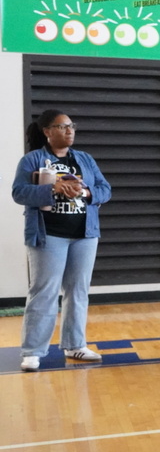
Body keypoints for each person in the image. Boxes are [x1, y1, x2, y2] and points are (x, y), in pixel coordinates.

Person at [11, 110, 111, 372]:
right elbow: (19, 192)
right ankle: (32, 351)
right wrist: (52, 188)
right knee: (43, 292)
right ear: (47, 131)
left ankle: (75, 345)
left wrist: (85, 190)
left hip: (84, 235)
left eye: (71, 126)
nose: (69, 131)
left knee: (78, 291)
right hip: (49, 235)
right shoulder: (32, 159)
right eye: (62, 126)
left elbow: (105, 189)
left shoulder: (85, 160)